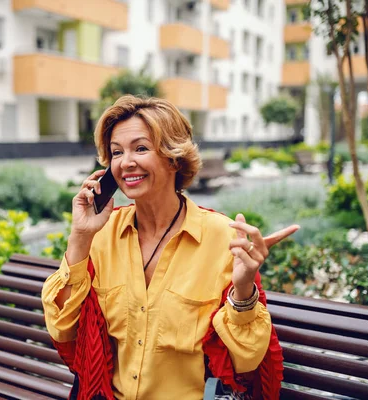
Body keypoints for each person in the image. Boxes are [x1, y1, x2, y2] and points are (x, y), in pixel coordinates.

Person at [41, 95, 299, 400]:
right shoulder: (101, 233)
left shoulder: (222, 239)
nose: (126, 162)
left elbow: (247, 361)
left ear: (173, 157)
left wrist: (243, 289)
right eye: (116, 152)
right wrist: (80, 236)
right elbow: (62, 329)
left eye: (140, 148)